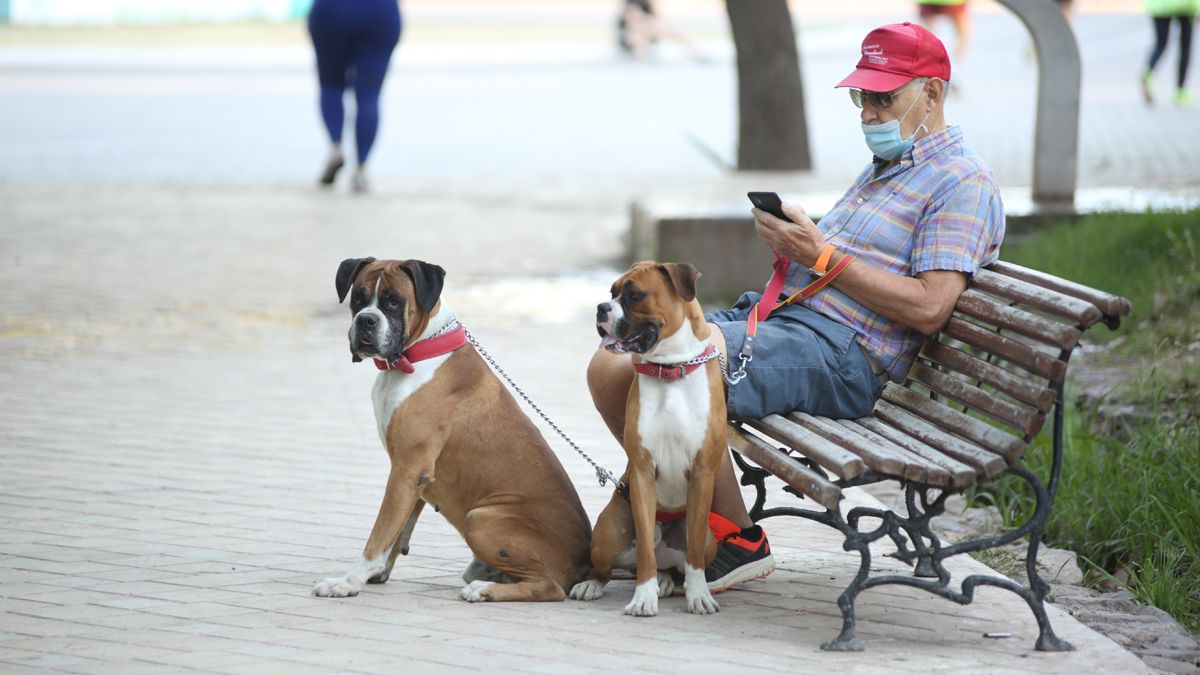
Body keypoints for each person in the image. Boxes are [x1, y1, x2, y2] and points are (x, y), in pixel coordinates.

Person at [586, 22, 1004, 592]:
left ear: (931, 93)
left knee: (645, 365)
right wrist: (799, 241)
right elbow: (834, 262)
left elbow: (932, 308)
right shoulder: (888, 169)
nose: (870, 113)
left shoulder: (962, 182)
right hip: (788, 323)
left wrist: (821, 254)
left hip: (844, 357)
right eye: (862, 97)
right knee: (613, 359)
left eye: (885, 97)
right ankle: (693, 519)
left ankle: (731, 539)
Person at [308, 0, 403, 192]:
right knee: (369, 95)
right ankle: (360, 169)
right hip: (380, 11)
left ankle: (336, 148)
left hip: (333, 9)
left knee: (330, 85)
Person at [1141, 0, 1199, 106]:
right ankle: (1180, 91)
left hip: (1159, 5)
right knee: (1185, 47)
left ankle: (1148, 73)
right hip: (1185, 5)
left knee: (1160, 44)